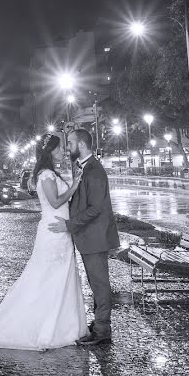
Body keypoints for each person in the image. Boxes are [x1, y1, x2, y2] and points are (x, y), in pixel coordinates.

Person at [0, 132, 87, 350]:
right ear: (49, 152)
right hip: (53, 233)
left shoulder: (50, 173)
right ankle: (46, 327)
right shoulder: (46, 175)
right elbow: (55, 202)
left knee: (59, 278)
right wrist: (75, 185)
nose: (62, 152)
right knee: (47, 279)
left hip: (60, 232)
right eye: (58, 149)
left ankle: (64, 325)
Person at [49, 128, 119, 346]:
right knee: (95, 283)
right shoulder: (84, 167)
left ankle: (102, 331)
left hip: (95, 237)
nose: (67, 147)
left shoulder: (94, 170)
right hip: (89, 237)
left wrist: (70, 225)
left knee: (100, 285)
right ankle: (99, 324)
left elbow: (96, 208)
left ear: (81, 144)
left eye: (69, 142)